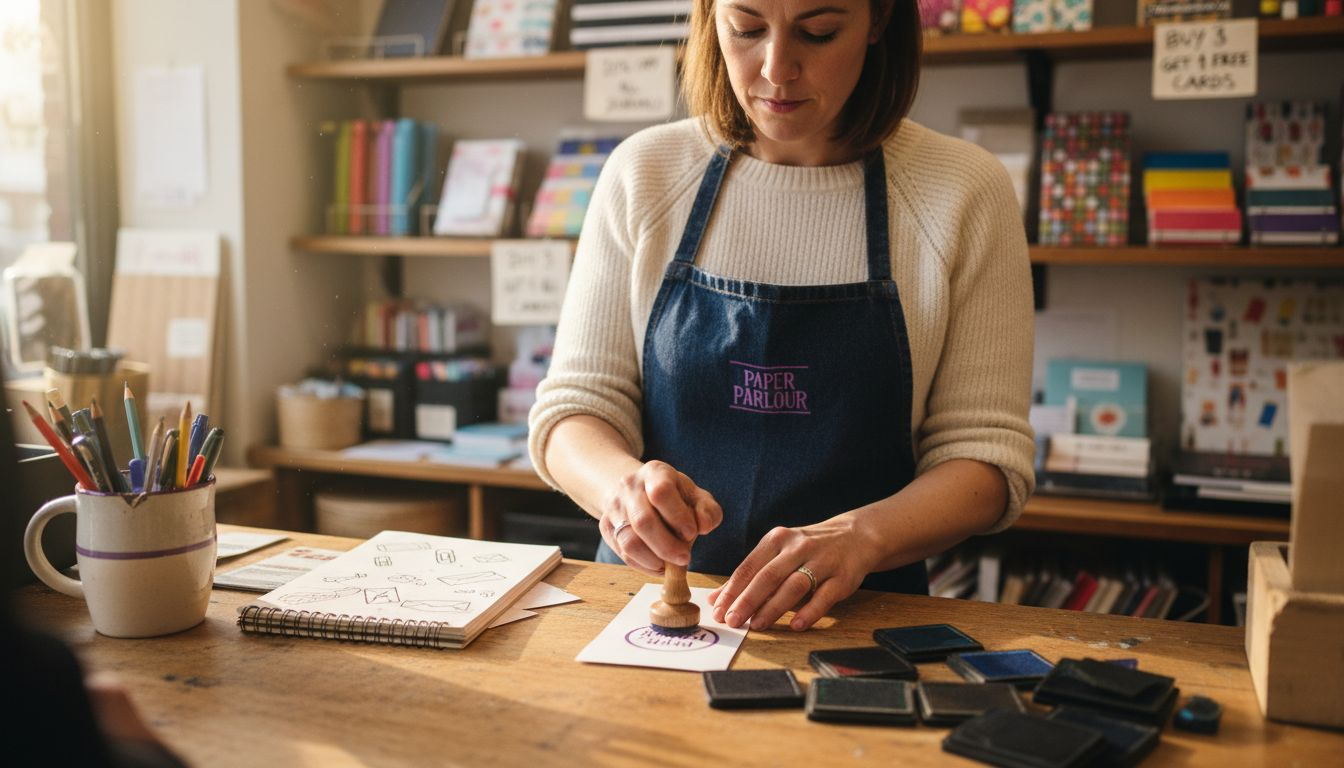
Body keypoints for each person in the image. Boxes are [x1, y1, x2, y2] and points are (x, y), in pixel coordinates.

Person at [528, 0, 1034, 632]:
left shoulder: (962, 190)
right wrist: (620, 488)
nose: (776, 68)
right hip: (650, 613)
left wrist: (861, 536)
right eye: (746, 29)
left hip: (860, 622)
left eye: (818, 33)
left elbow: (985, 460)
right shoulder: (645, 172)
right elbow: (573, 411)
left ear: (878, 20)